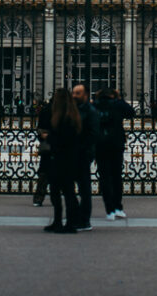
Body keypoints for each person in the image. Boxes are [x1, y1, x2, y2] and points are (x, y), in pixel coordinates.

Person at [93, 87, 134, 220]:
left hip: (100, 144)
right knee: (116, 176)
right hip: (116, 144)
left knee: (104, 177)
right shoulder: (117, 105)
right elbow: (131, 113)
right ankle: (118, 207)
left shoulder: (95, 105)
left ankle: (109, 209)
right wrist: (120, 100)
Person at [44, 88, 81, 234]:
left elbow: (61, 140)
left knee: (61, 192)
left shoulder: (64, 118)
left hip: (61, 159)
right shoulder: (73, 115)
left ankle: (68, 223)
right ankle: (60, 221)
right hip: (68, 159)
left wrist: (48, 138)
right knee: (65, 192)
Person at [71, 82, 100, 231]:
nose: (74, 95)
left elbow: (93, 134)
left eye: (77, 93)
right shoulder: (73, 110)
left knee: (84, 189)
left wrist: (88, 152)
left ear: (86, 95)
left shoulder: (91, 111)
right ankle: (75, 216)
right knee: (68, 187)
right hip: (71, 153)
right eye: (74, 93)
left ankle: (84, 220)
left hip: (82, 154)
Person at [33, 98, 52, 207]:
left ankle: (38, 198)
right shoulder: (66, 110)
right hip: (58, 146)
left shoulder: (46, 110)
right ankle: (56, 197)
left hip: (48, 146)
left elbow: (40, 129)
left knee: (44, 172)